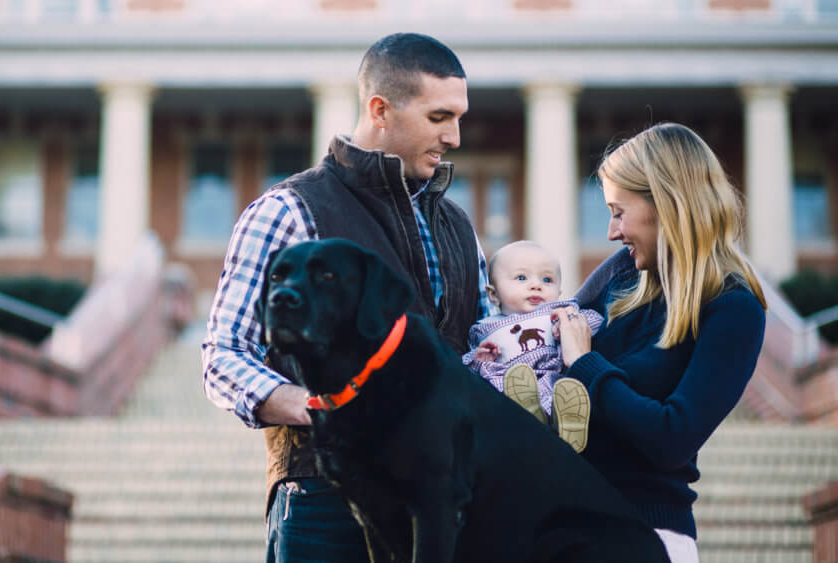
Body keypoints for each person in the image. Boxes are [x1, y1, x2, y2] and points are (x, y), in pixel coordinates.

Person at [201, 32, 498, 562]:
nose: (454, 136)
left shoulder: (458, 226)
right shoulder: (290, 210)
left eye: (459, 117)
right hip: (325, 498)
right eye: (438, 117)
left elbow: (482, 350)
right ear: (380, 109)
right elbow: (224, 354)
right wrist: (315, 406)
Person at [553, 122, 767, 563]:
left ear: (666, 204)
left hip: (644, 536)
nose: (612, 231)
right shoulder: (623, 275)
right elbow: (554, 337)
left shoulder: (733, 308)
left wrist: (586, 365)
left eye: (618, 211)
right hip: (566, 526)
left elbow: (674, 438)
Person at [462, 240, 601, 452]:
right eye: (521, 277)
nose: (536, 285)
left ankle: (567, 422)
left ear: (559, 291)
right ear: (493, 294)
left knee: (563, 389)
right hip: (508, 382)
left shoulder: (557, 311)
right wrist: (481, 358)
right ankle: (530, 413)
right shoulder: (484, 328)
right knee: (501, 384)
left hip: (549, 375)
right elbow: (467, 364)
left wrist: (568, 325)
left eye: (547, 279)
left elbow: (593, 321)